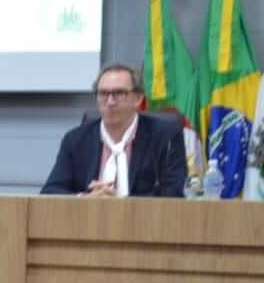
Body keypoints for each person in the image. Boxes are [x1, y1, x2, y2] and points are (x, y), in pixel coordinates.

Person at [41, 62, 186, 197]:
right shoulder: (76, 139)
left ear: (138, 98)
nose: (110, 101)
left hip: (144, 222)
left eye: (119, 93)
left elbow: (173, 193)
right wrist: (85, 199)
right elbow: (50, 191)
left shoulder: (165, 136)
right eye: (103, 93)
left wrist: (121, 203)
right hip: (88, 221)